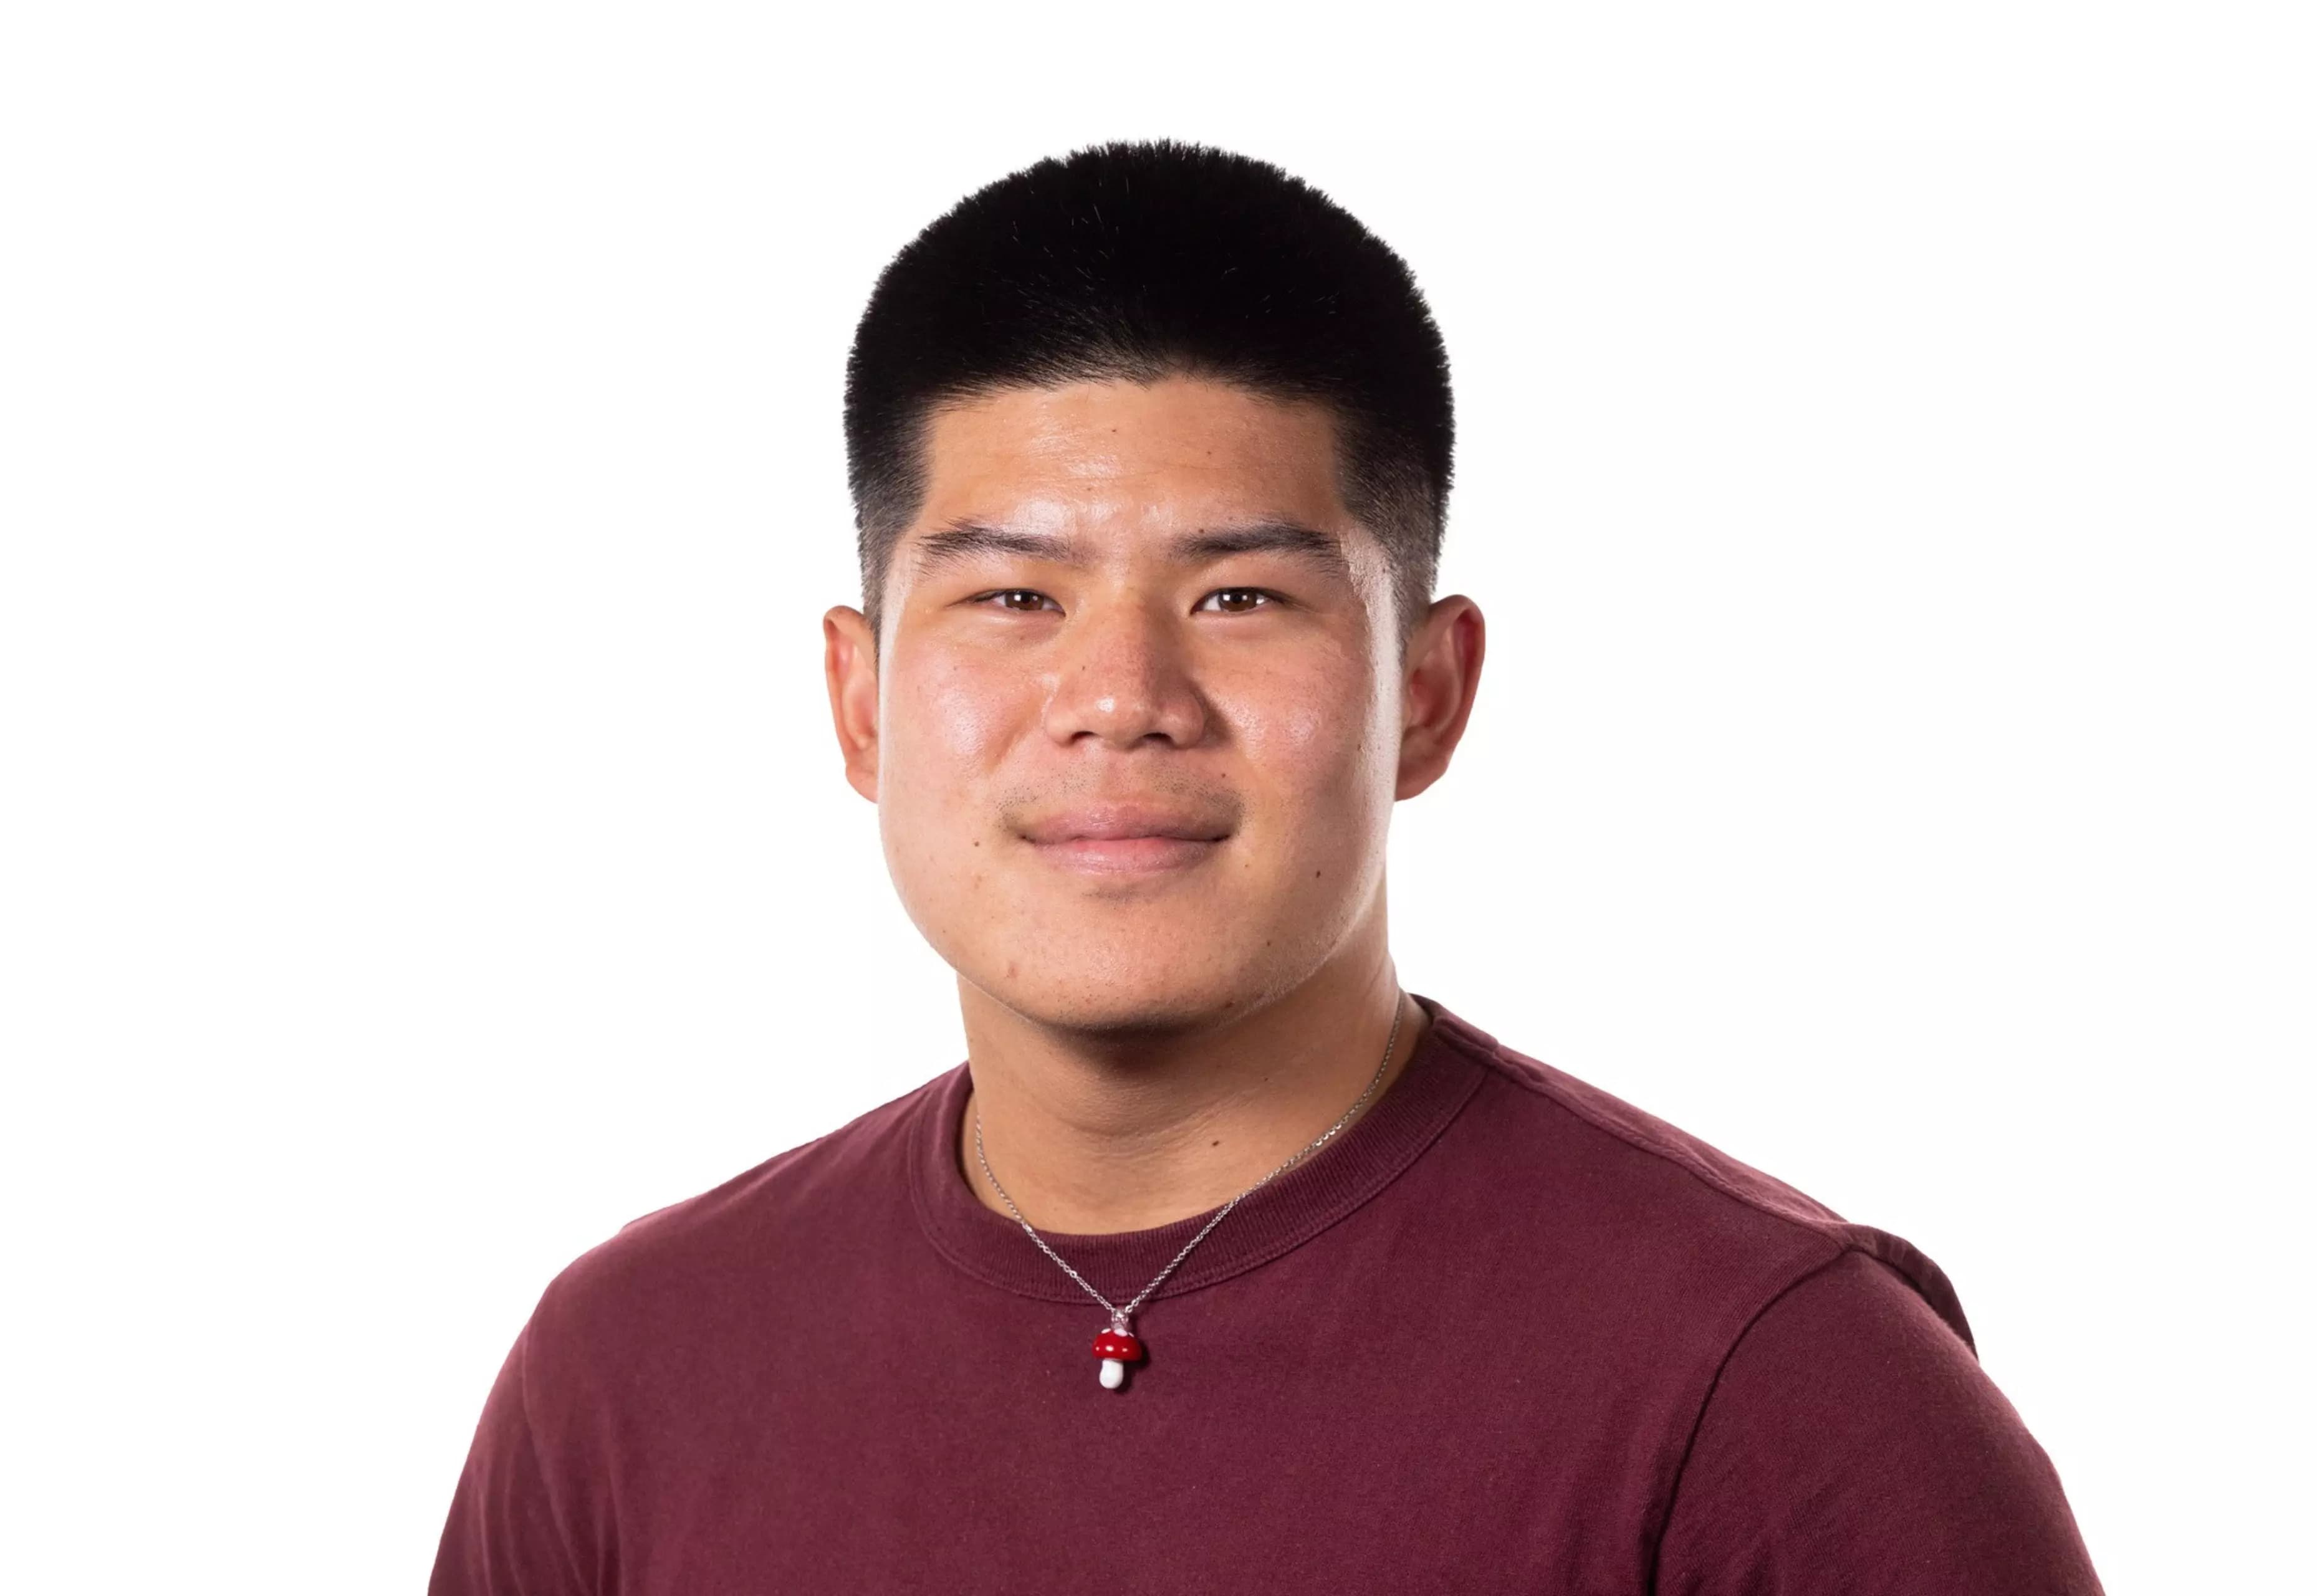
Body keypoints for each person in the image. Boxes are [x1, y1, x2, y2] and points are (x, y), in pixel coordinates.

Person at [430, 139, 2103, 1593]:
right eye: (1014, 596)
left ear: (1426, 696)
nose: (1120, 701)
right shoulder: (628, 1375)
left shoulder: (1772, 1383)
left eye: (1239, 596)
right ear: (859, 701)